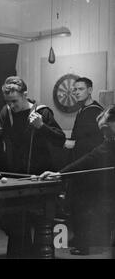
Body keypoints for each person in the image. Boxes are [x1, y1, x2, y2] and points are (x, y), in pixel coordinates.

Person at [0, 76, 65, 258]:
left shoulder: (43, 112)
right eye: (8, 102)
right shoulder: (5, 111)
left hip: (41, 175)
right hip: (16, 176)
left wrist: (41, 126)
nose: (11, 105)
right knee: (16, 225)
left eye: (14, 101)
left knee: (42, 226)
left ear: (25, 95)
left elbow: (60, 139)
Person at [41, 105, 115, 255]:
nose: (105, 135)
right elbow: (90, 159)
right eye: (103, 131)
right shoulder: (110, 142)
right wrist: (59, 174)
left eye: (107, 129)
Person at [64, 77, 104, 255]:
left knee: (84, 206)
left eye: (80, 89)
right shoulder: (83, 110)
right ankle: (79, 238)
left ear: (90, 90)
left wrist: (73, 144)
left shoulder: (94, 111)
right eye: (75, 90)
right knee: (76, 204)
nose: (77, 92)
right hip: (80, 165)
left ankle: (84, 244)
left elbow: (92, 142)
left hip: (90, 167)